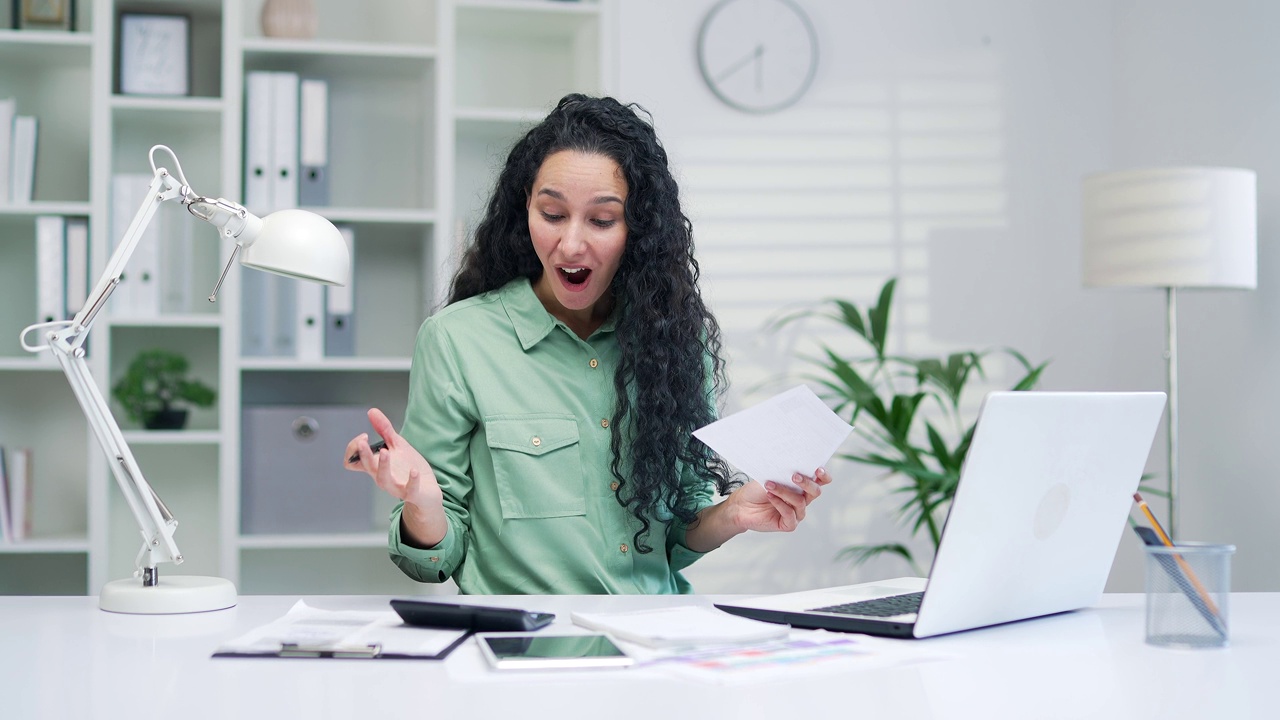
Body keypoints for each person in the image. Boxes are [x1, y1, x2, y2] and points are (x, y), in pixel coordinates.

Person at [344, 94, 832, 594]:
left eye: (601, 221)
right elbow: (436, 558)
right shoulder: (458, 341)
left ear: (637, 230)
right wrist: (424, 505)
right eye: (552, 213)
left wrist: (733, 513)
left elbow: (675, 539)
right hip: (527, 654)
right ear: (525, 212)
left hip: (653, 644)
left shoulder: (674, 346)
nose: (572, 244)